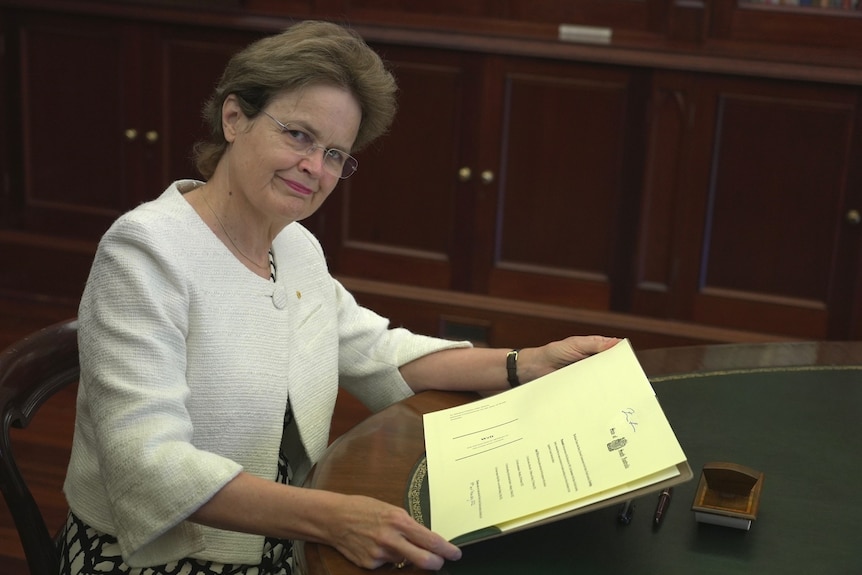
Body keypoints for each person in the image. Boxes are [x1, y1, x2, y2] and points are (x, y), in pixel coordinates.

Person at [59, 20, 619, 575]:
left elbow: (374, 349)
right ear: (234, 118)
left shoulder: (295, 245)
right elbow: (145, 463)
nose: (314, 168)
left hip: (282, 536)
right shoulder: (145, 250)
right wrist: (334, 518)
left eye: (334, 154)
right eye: (298, 135)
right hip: (159, 554)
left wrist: (527, 362)